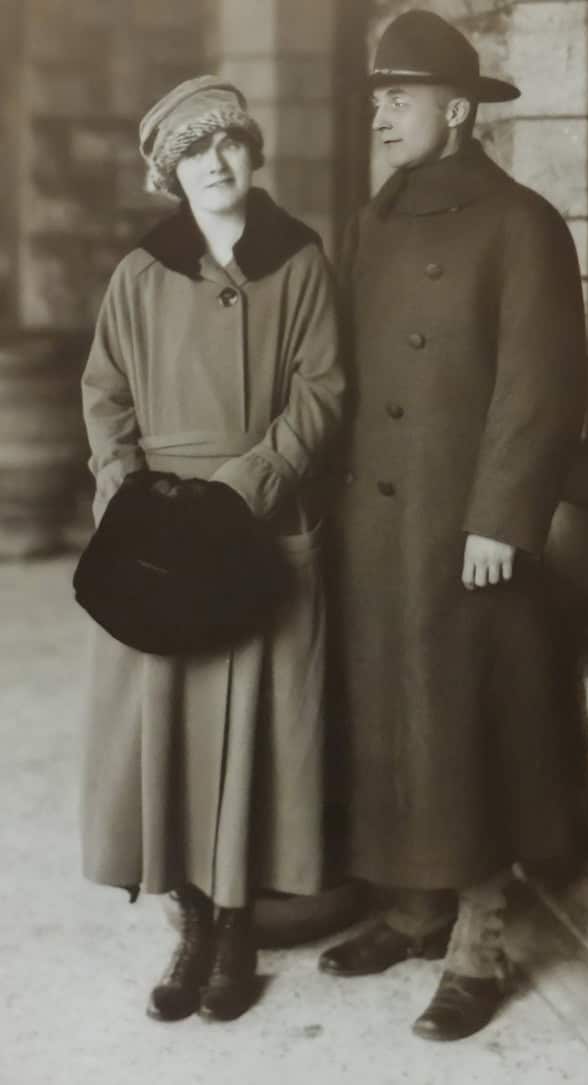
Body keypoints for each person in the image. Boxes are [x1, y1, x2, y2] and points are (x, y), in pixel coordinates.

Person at [318, 11, 588, 1041]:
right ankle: (414, 905)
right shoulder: (379, 214)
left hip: (462, 527)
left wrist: (500, 520)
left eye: (401, 95)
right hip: (379, 520)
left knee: (465, 726)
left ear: (460, 109)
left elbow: (542, 391)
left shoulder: (524, 223)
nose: (382, 111)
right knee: (393, 710)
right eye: (379, 95)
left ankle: (479, 934)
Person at [80, 76, 344, 1022]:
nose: (218, 163)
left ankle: (239, 925)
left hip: (259, 519)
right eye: (196, 152)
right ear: (170, 173)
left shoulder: (301, 260)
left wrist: (249, 484)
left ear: (253, 151)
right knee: (171, 733)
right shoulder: (141, 273)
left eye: (230, 143)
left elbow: (321, 392)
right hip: (161, 529)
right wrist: (127, 495)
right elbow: (105, 393)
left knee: (263, 735)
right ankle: (190, 917)